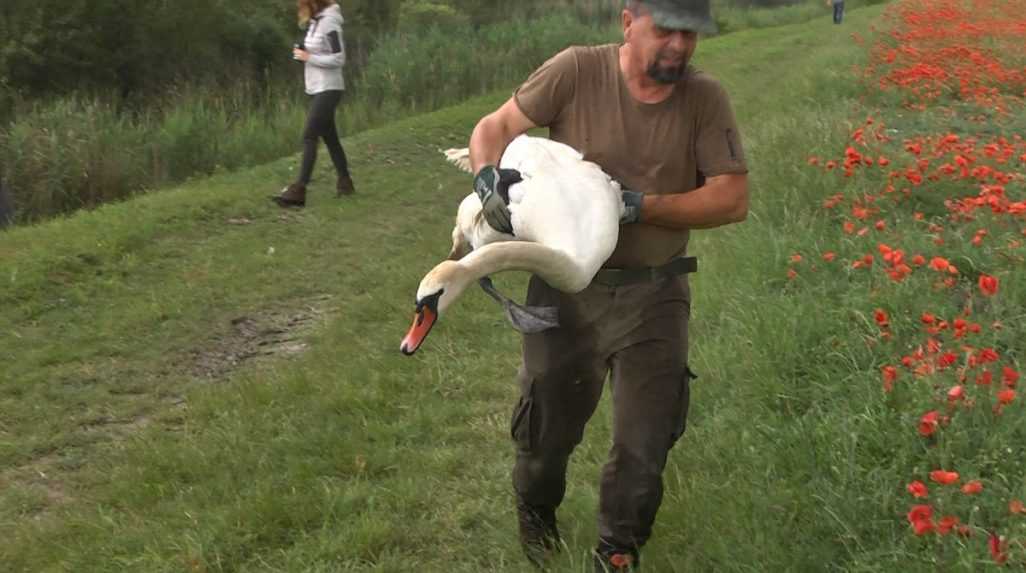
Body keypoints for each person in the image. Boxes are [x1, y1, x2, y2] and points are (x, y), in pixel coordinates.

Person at [467, 0, 749, 570]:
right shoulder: (575, 71)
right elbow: (493, 128)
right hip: (566, 293)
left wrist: (642, 207)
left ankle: (617, 551)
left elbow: (731, 197)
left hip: (655, 293)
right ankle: (537, 510)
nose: (678, 46)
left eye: (690, 35)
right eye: (665, 30)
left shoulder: (705, 97)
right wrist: (485, 181)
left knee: (645, 445)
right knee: (545, 434)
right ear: (628, 22)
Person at [272, 0, 355, 208]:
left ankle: (299, 190)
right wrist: (302, 55)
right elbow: (317, 55)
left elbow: (338, 58)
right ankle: (345, 183)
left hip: (330, 88)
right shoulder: (314, 23)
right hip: (316, 87)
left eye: (303, 4)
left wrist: (309, 57)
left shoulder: (330, 23)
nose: (300, 7)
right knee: (330, 138)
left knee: (310, 135)